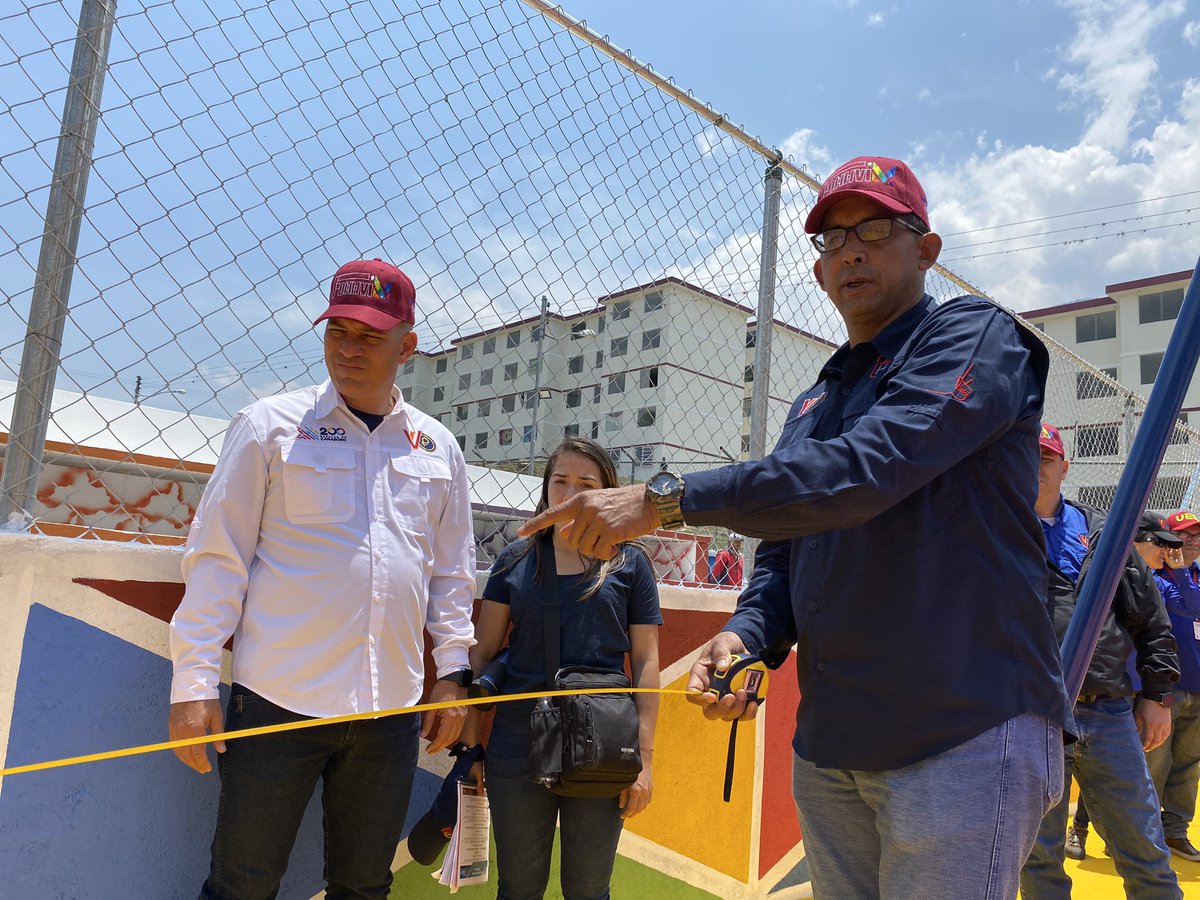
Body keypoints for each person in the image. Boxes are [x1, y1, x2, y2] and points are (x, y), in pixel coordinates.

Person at [520, 155, 1072, 899]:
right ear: (817, 273)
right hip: (834, 746)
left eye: (875, 229)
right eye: (831, 238)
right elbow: (783, 550)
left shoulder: (973, 337)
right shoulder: (814, 402)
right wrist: (746, 632)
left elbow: (870, 469)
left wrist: (662, 501)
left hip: (964, 730)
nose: (850, 250)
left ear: (927, 250)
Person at [168, 258, 477, 899]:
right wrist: (193, 681)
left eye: (368, 336)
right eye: (337, 331)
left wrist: (453, 675)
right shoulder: (269, 427)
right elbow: (216, 559)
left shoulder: (437, 447)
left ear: (407, 345)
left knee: (364, 888)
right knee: (241, 885)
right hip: (278, 702)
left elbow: (451, 573)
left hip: (389, 711)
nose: (348, 349)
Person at [460, 437, 661, 900]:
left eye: (585, 484)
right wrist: (470, 746)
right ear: (546, 487)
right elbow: (484, 652)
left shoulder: (630, 564)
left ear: (606, 492)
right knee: (518, 887)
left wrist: (644, 760)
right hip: (518, 744)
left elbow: (647, 663)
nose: (570, 493)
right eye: (560, 481)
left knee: (589, 889)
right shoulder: (515, 560)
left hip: (604, 744)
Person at [1019, 431, 1181, 899]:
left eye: (1047, 457)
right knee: (1038, 858)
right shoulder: (995, 534)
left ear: (1065, 468)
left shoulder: (1106, 533)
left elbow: (1151, 618)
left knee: (1144, 849)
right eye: (1026, 455)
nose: (1037, 465)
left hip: (1107, 711)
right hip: (1031, 715)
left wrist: (1157, 696)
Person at [1146, 510, 1200, 861]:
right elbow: (1186, 607)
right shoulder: (1153, 577)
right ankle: (1145, 835)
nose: (1192, 541)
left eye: (1197, 535)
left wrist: (1184, 571)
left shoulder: (1195, 576)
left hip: (1198, 688)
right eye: (1184, 535)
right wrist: (1178, 569)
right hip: (1167, 687)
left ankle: (1176, 831)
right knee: (1155, 765)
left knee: (1188, 764)